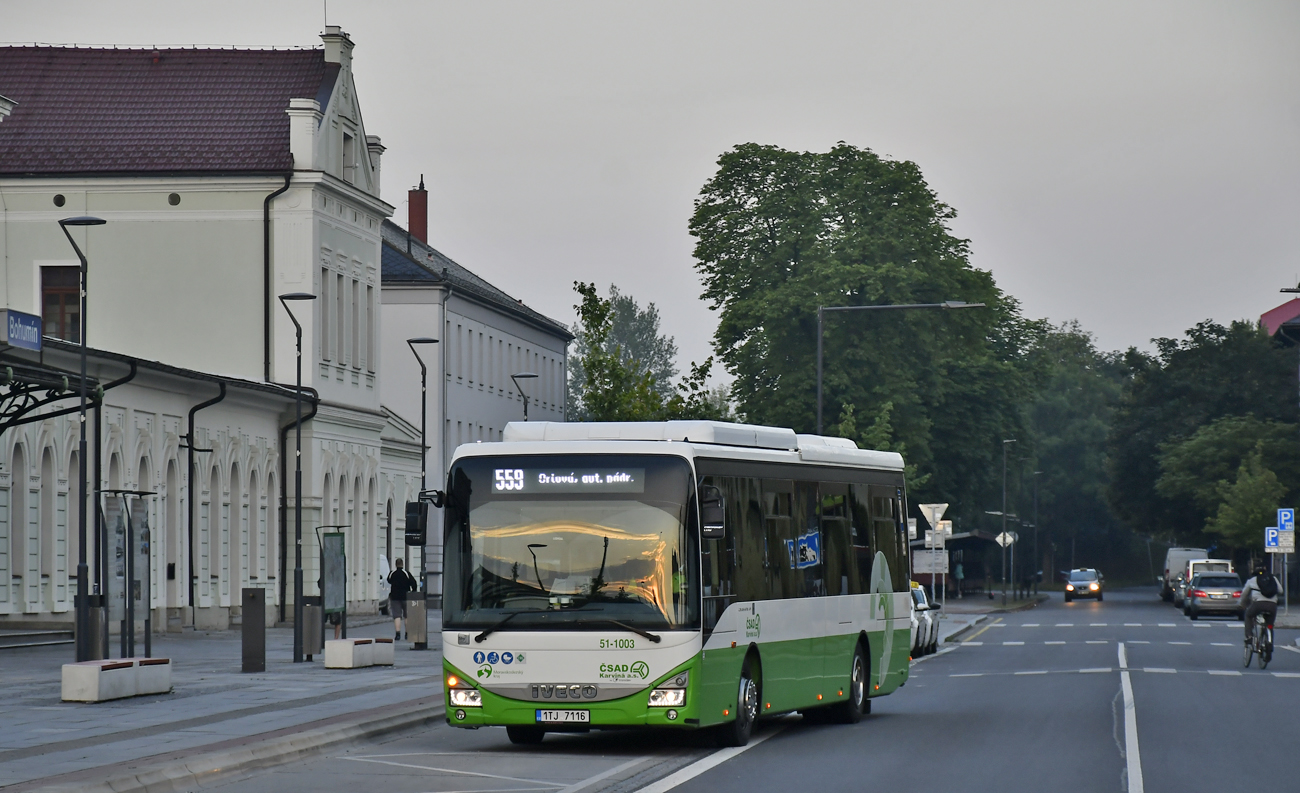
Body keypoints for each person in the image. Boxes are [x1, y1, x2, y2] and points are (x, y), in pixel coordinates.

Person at [1241, 565, 1280, 644]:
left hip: (1258, 604)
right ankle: (1269, 643)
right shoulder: (1273, 579)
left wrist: (1243, 604)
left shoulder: (1252, 580)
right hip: (1272, 605)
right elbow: (1281, 590)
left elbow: (1244, 594)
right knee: (1270, 625)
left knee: (1248, 615)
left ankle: (1249, 636)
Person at [387, 558, 418, 640]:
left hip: (395, 597)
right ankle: (407, 633)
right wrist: (413, 591)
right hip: (406, 597)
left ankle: (397, 634)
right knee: (407, 616)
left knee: (397, 615)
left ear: (395, 564)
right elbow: (414, 583)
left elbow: (388, 580)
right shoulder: (406, 573)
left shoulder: (392, 573)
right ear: (403, 564)